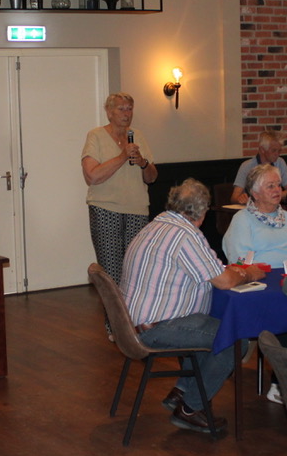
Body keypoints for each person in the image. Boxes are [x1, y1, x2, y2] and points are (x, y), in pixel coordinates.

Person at [120, 179, 265, 433]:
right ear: (202, 212)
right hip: (156, 328)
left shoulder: (157, 224)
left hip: (132, 324)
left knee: (206, 326)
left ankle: (182, 392)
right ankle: (191, 408)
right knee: (233, 339)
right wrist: (249, 273)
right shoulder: (186, 235)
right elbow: (224, 281)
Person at [81, 92, 157, 286]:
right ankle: (113, 307)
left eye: (129, 109)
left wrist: (142, 162)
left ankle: (132, 307)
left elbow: (152, 177)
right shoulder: (96, 136)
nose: (126, 113)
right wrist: (123, 156)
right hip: (105, 210)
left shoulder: (138, 136)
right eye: (121, 109)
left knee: (136, 270)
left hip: (137, 210)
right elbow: (92, 176)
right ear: (109, 112)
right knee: (111, 272)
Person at [222, 164, 287, 268]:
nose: (277, 190)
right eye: (270, 186)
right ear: (255, 194)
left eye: (279, 185)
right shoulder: (242, 219)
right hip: (264, 274)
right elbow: (238, 259)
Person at [232, 128, 287, 204]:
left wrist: (274, 195)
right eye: (273, 150)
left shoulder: (280, 162)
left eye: (279, 151)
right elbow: (234, 198)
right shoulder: (246, 166)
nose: (277, 154)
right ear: (262, 150)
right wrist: (241, 199)